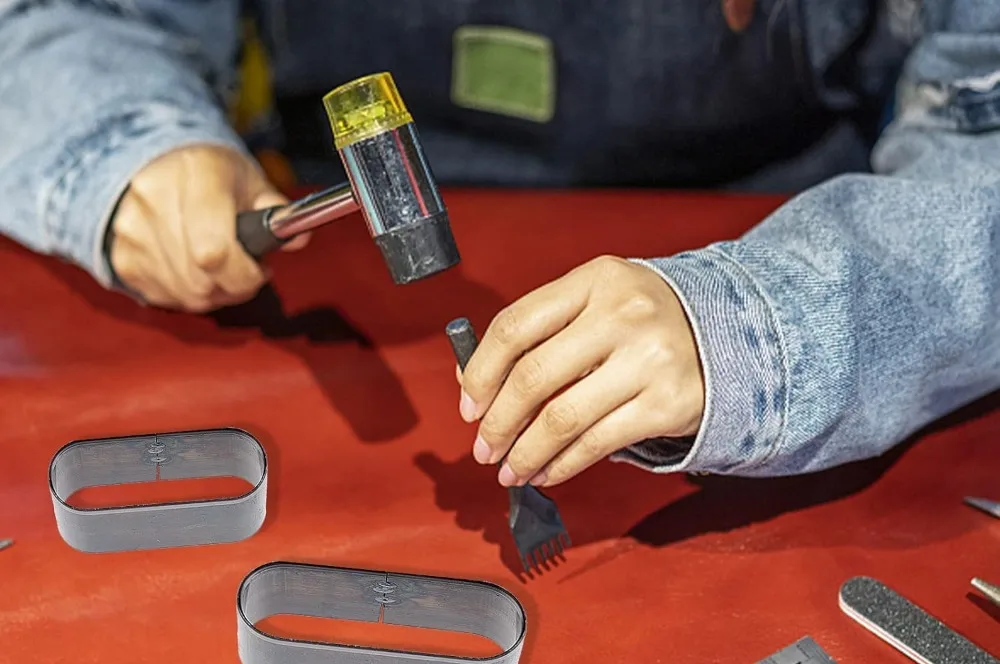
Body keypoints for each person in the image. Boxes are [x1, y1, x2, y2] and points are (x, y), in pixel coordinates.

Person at [0, 2, 997, 491]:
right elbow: (77, 15)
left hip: (777, 232)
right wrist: (122, 143)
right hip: (321, 282)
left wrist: (766, 321)